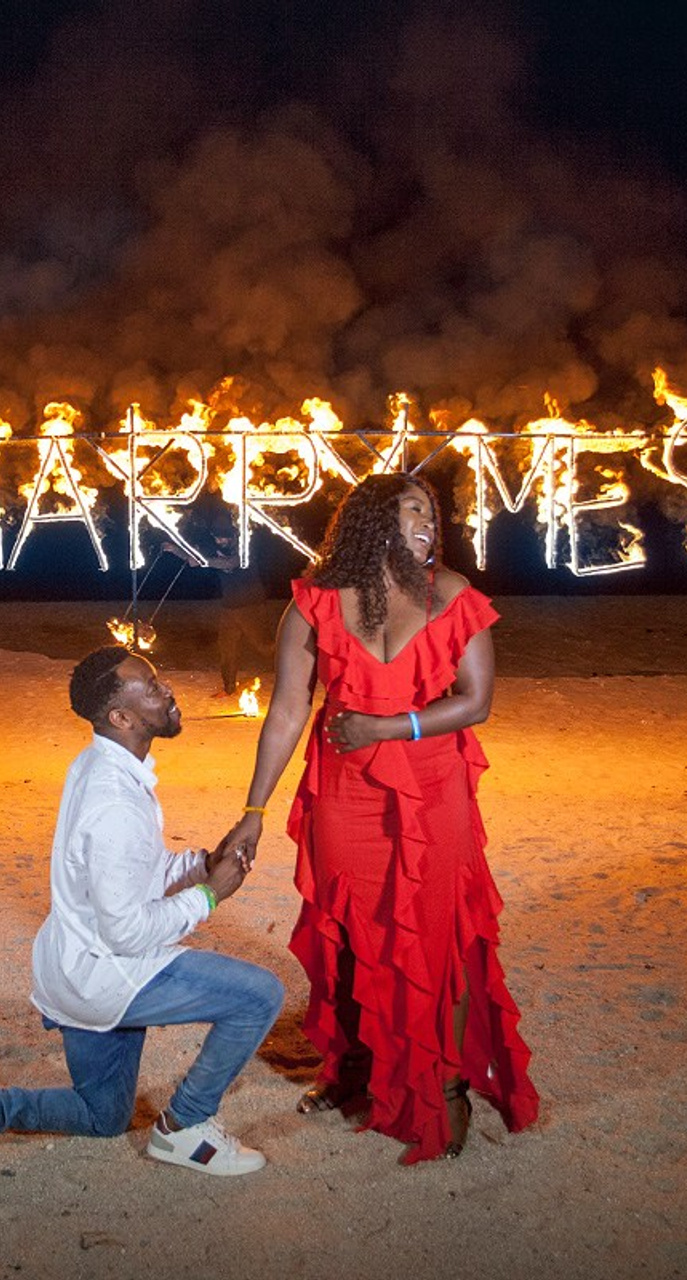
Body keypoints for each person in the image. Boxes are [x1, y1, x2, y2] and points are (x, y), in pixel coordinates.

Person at [223, 473, 539, 1164]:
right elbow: (285, 710)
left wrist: (389, 728)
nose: (429, 521)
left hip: (434, 788)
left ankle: (447, 1086)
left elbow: (477, 701)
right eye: (412, 510)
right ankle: (355, 1068)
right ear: (372, 524)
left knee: (442, 934)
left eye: (433, 510)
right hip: (344, 792)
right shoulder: (314, 605)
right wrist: (254, 808)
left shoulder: (454, 595)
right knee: (348, 932)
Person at [0, 645, 284, 1176]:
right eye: (151, 688)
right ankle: (185, 1128)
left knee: (103, 1115)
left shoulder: (101, 763)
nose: (168, 691)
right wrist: (210, 895)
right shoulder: (114, 801)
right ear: (121, 717)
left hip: (73, 968)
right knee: (259, 995)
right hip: (107, 974)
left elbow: (132, 873)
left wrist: (202, 865)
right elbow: (129, 932)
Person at [162, 513, 274, 697]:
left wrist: (203, 561)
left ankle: (298, 670)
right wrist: (174, 550)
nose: (220, 540)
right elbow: (194, 559)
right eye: (217, 537)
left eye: (224, 537)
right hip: (229, 607)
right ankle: (229, 688)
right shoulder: (215, 548)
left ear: (233, 536)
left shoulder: (245, 547)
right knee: (226, 649)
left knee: (265, 646)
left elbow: (230, 563)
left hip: (250, 606)